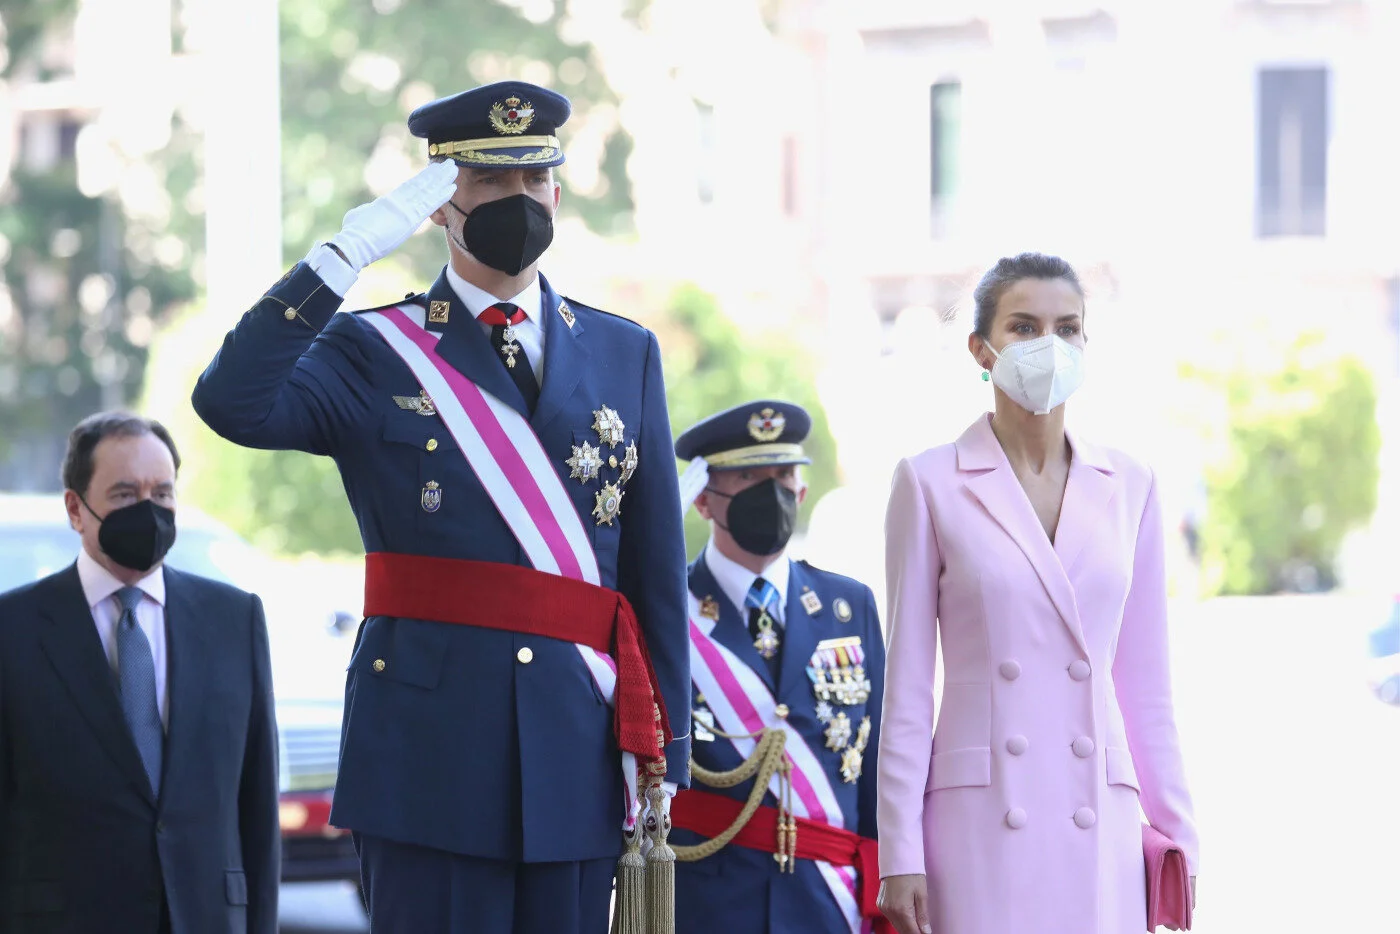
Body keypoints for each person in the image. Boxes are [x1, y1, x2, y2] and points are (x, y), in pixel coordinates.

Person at [191, 79, 690, 933]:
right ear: (438, 204)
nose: (518, 200)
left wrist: (664, 751)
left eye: (535, 180)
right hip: (426, 754)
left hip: (575, 744)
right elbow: (231, 402)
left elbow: (653, 571)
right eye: (490, 181)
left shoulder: (622, 350)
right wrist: (343, 257)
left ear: (557, 194)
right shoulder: (372, 347)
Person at [875, 253, 1199, 934]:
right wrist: (898, 851)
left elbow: (1147, 686)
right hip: (979, 818)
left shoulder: (1131, 484)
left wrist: (1179, 832)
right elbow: (906, 689)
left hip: (1100, 817)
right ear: (981, 349)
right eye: (1023, 327)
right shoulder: (929, 482)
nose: (1048, 345)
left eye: (1066, 327)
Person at [0, 412, 279, 934]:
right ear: (75, 509)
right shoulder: (13, 629)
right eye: (125, 495)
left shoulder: (234, 619)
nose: (148, 511)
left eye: (162, 493)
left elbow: (257, 805)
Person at [668, 400, 888, 934]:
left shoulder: (848, 606)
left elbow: (880, 763)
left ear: (802, 490)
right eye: (748, 477)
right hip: (711, 904)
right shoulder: (669, 610)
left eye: (784, 475)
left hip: (827, 902)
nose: (773, 493)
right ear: (704, 499)